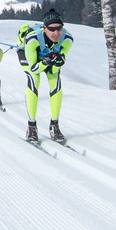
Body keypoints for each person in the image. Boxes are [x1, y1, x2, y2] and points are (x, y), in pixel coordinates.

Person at [18, 8, 73, 143]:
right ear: (44, 28)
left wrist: (56, 62)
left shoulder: (67, 39)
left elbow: (54, 70)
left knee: (56, 83)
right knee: (33, 81)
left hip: (48, 56)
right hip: (28, 53)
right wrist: (45, 62)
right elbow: (35, 69)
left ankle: (54, 125)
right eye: (52, 29)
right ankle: (31, 126)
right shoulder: (32, 40)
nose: (56, 33)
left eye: (59, 28)